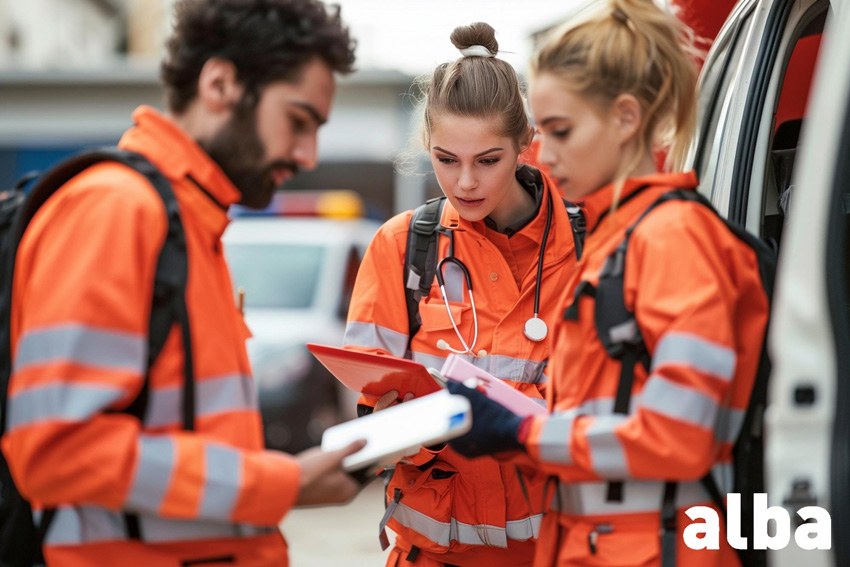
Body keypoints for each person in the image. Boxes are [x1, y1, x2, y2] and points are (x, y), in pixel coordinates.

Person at [1, 1, 365, 565]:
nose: (307, 154)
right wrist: (281, 484)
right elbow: (58, 449)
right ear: (220, 83)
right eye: (298, 121)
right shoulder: (117, 210)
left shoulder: (190, 224)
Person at [444, 1, 770, 566]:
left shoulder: (670, 239)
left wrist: (524, 435)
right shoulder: (620, 241)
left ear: (625, 118)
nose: (543, 152)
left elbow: (678, 433)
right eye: (541, 132)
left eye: (562, 130)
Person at [343, 22, 582, 567]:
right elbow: (369, 419)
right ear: (426, 143)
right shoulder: (401, 247)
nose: (465, 182)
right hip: (433, 556)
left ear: (526, 142)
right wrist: (409, 424)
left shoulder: (591, 247)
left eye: (488, 160)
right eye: (446, 159)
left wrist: (519, 421)